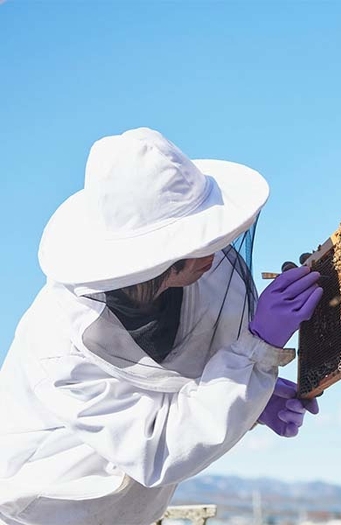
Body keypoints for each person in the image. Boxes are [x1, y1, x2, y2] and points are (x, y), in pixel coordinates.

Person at [0, 127, 323, 525]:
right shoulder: (58, 345)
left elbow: (198, 369)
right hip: (44, 513)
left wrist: (253, 398)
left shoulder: (206, 277)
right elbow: (159, 447)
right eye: (196, 243)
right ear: (151, 260)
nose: (212, 251)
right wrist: (257, 351)